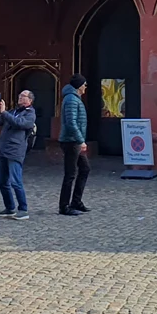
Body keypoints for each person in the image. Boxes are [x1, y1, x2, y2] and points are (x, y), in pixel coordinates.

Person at [0, 89, 35, 220]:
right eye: (20, 95)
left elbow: (19, 123)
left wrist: (4, 112)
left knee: (16, 182)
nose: (20, 97)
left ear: (30, 100)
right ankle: (9, 208)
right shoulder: (13, 111)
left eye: (23, 96)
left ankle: (23, 209)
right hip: (2, 149)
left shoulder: (30, 114)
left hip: (15, 151)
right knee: (2, 181)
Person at [58, 74, 90, 217]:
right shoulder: (71, 99)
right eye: (84, 85)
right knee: (70, 174)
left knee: (85, 168)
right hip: (71, 141)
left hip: (74, 140)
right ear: (79, 86)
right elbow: (71, 122)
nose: (85, 87)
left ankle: (76, 201)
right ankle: (64, 206)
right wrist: (80, 140)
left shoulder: (75, 98)